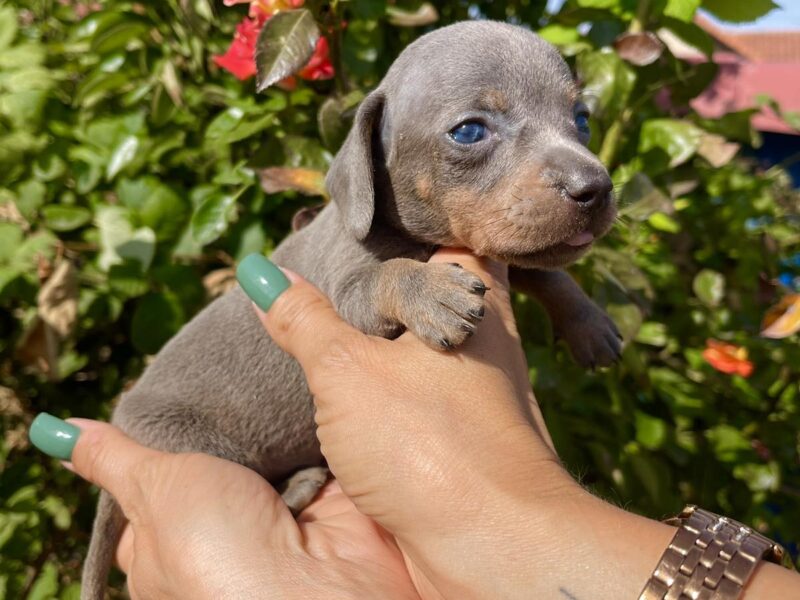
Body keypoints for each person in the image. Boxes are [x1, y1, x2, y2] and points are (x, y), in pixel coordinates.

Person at [30, 249, 799, 599]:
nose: (586, 174)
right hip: (185, 426)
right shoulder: (364, 229)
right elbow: (360, 288)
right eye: (470, 133)